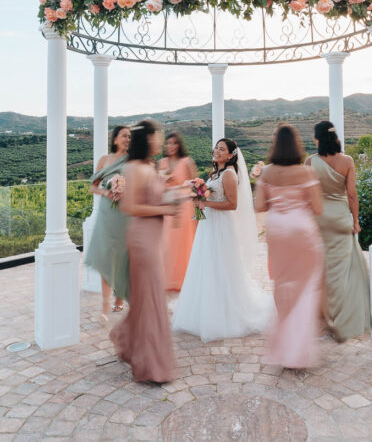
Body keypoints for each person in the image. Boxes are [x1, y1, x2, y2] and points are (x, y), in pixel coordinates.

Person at [172, 138, 273, 343]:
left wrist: (204, 202)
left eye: (222, 149)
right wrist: (198, 195)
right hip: (209, 224)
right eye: (216, 148)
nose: (217, 151)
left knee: (222, 267)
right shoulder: (215, 173)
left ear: (230, 155)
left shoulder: (228, 174)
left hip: (222, 225)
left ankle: (224, 312)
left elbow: (232, 204)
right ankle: (204, 307)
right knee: (206, 264)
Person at [110, 120, 178, 383]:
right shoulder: (134, 167)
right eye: (157, 137)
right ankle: (151, 365)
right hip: (142, 238)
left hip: (153, 236)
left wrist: (170, 194)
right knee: (150, 299)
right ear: (147, 139)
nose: (160, 141)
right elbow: (130, 208)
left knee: (147, 296)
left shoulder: (149, 166)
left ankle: (125, 338)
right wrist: (165, 209)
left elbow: (151, 196)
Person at [255, 124, 324, 368]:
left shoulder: (267, 172)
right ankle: (297, 349)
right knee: (305, 285)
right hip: (301, 230)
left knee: (282, 282)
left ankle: (282, 343)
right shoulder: (306, 172)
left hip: (277, 230)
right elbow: (317, 208)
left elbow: (259, 206)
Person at [306, 120, 371, 342]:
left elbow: (307, 197)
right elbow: (352, 194)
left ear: (316, 139)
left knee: (321, 270)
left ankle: (323, 319)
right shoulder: (347, 161)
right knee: (343, 271)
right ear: (335, 138)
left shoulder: (310, 161)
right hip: (341, 218)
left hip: (318, 220)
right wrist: (356, 221)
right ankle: (344, 318)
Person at [85, 125, 131, 319]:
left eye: (130, 136)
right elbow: (92, 187)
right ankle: (105, 305)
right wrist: (106, 192)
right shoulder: (104, 160)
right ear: (115, 139)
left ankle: (119, 300)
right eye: (124, 136)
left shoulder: (133, 161)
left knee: (123, 260)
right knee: (106, 258)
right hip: (107, 215)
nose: (128, 139)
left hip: (126, 215)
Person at [158, 132, 198, 291]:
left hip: (184, 207)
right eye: (168, 143)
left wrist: (180, 188)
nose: (170, 146)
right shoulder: (161, 163)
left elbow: (195, 184)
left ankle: (184, 279)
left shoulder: (187, 162)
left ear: (179, 145)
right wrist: (162, 182)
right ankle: (167, 278)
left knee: (183, 243)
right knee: (166, 243)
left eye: (174, 143)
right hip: (167, 207)